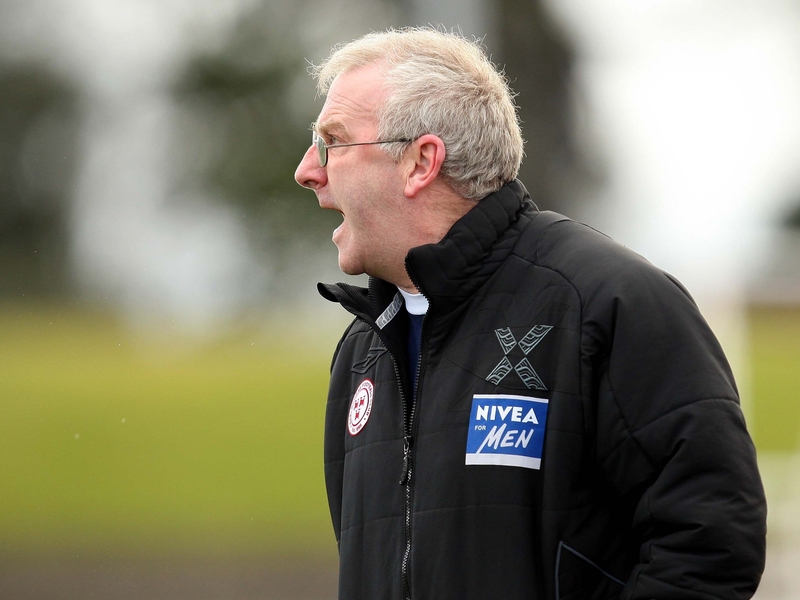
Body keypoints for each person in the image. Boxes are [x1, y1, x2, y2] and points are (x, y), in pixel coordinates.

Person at [294, 27, 767, 600]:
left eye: (331, 143)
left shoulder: (607, 303)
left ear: (421, 161)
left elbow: (708, 543)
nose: (308, 171)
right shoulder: (362, 351)